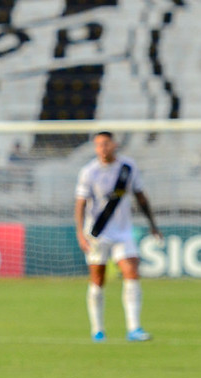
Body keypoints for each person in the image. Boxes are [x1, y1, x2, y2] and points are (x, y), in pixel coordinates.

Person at [74, 131, 162, 342]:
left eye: (105, 143)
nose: (102, 148)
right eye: (98, 145)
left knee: (131, 272)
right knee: (98, 279)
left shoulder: (128, 167)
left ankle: (134, 328)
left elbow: (140, 197)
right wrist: (80, 233)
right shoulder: (89, 172)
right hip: (97, 233)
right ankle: (98, 329)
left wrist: (153, 225)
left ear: (114, 144)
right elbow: (80, 204)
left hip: (123, 232)